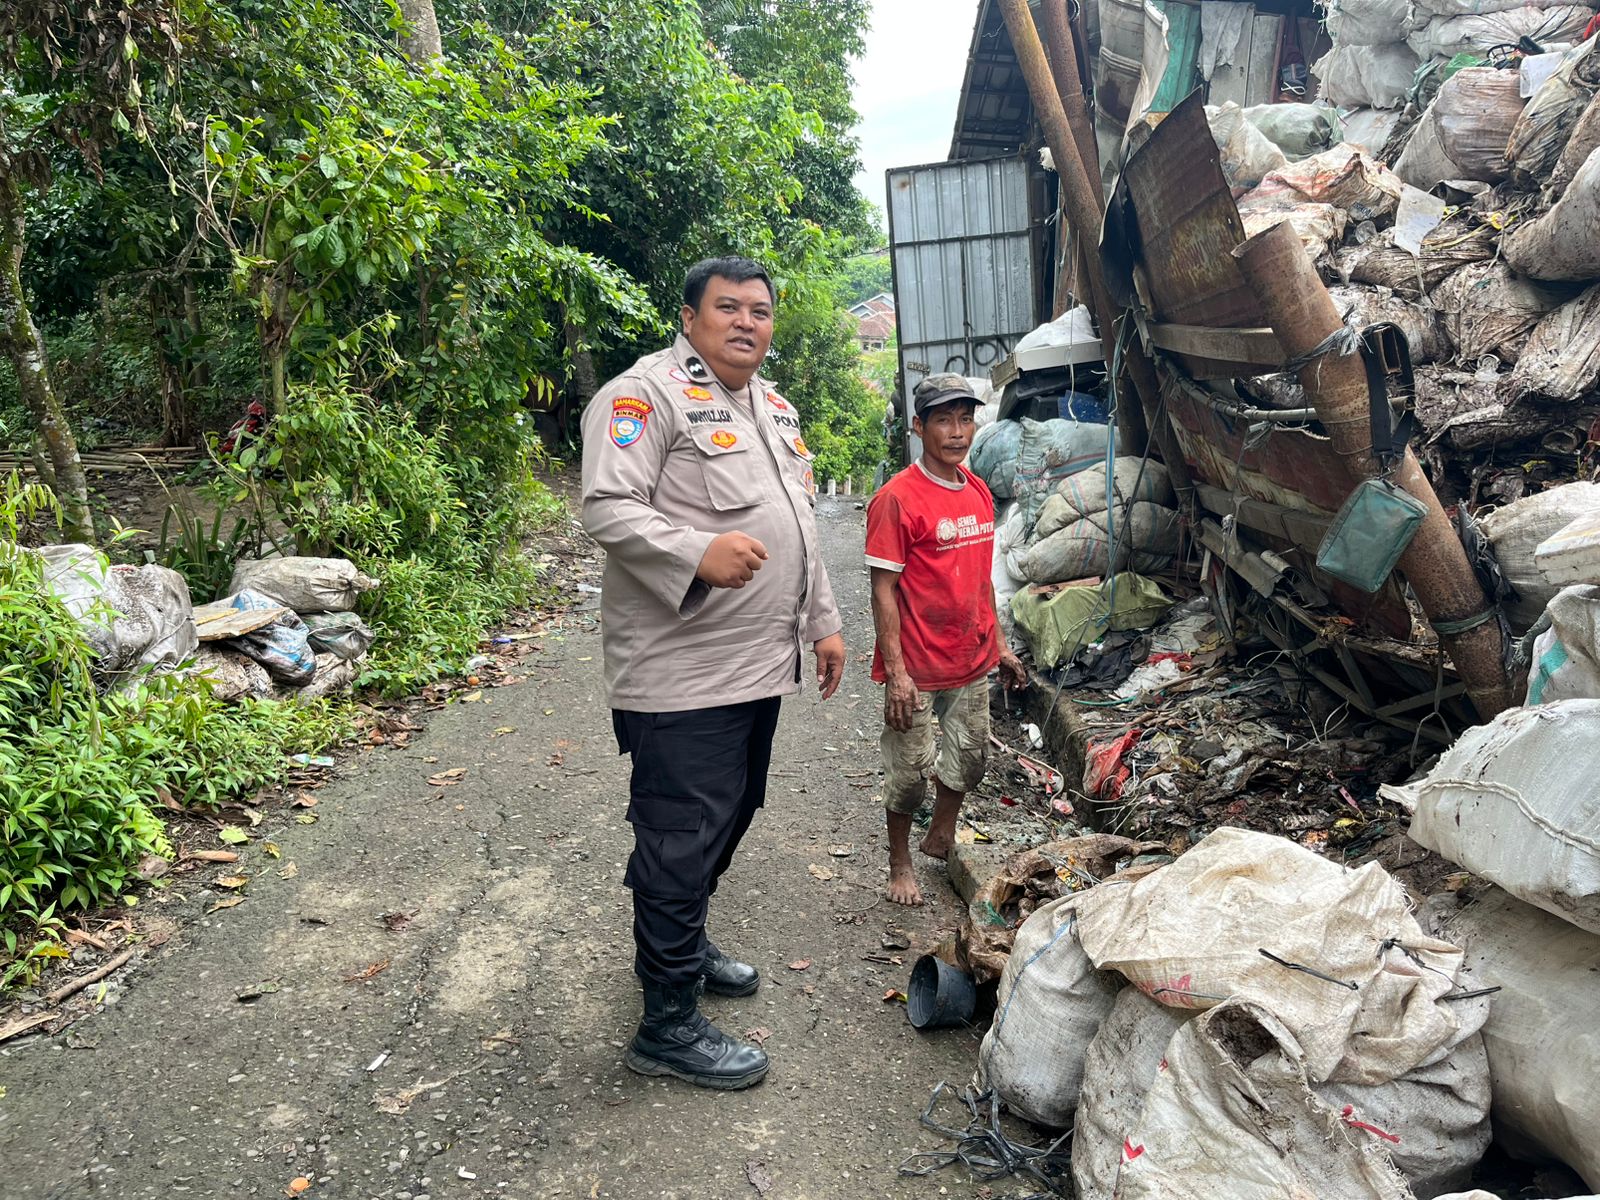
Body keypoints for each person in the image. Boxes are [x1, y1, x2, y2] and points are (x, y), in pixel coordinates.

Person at [580, 255, 846, 1090]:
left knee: (730, 816)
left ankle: (682, 947)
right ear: (690, 317)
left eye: (760, 311)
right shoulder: (642, 395)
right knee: (679, 838)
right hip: (683, 670)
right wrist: (697, 550)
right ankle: (665, 1024)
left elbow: (801, 522)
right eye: (727, 308)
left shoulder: (772, 407)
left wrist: (826, 624)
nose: (746, 323)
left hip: (758, 664)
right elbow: (607, 505)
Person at [865, 374, 1027, 907]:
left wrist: (1000, 645)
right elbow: (883, 591)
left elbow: (982, 581)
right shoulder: (895, 499)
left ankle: (941, 830)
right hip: (917, 668)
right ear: (919, 427)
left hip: (972, 658)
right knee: (909, 775)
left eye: (965, 419)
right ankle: (899, 862)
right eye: (943, 420)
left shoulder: (977, 489)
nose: (957, 432)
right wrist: (897, 673)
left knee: (973, 756)